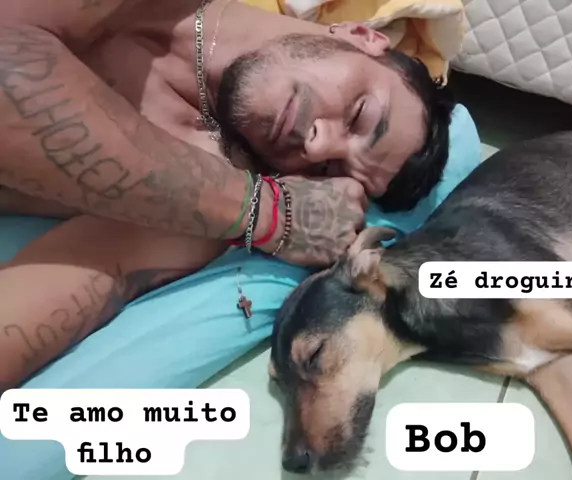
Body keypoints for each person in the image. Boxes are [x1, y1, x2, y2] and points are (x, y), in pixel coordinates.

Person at [0, 0, 460, 393]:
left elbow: (81, 281)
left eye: (325, 171)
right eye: (359, 115)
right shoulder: (233, 200)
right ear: (362, 35)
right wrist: (266, 214)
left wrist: (248, 208)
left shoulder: (204, 196)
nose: (317, 144)